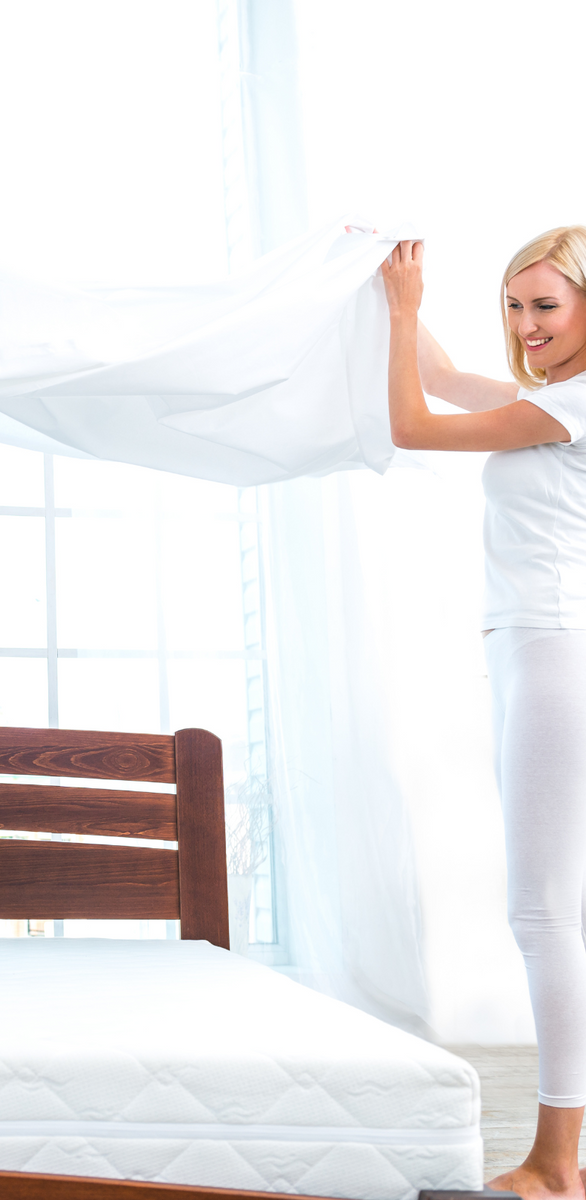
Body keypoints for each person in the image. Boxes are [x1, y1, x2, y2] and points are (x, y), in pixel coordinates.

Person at [385, 228, 586, 1200]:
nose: (525, 325)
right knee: (548, 909)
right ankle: (558, 1159)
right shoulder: (543, 401)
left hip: (554, 649)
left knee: (543, 911)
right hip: (525, 650)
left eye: (546, 305)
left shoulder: (570, 409)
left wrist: (399, 314)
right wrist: (394, 289)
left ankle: (556, 1165)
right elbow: (453, 377)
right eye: (514, 305)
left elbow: (415, 425)